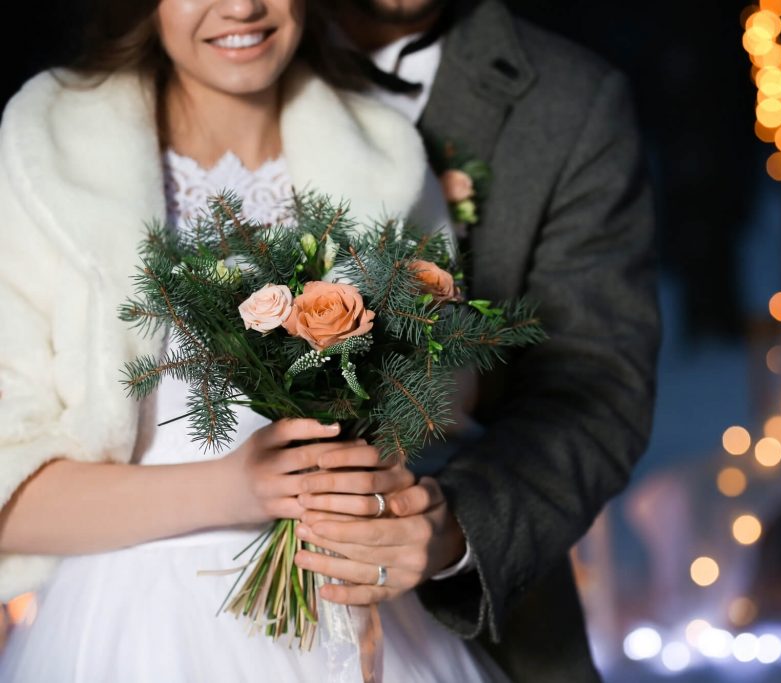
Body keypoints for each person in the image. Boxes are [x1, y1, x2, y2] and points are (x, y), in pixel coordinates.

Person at [0, 1, 503, 680]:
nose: (241, 6)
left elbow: (445, 392)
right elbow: (10, 490)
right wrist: (239, 486)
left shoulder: (383, 151)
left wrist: (369, 473)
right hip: (136, 632)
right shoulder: (49, 150)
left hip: (354, 609)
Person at [291, 1, 661, 680]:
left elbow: (594, 383)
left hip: (466, 636)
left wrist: (454, 529)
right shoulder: (210, 51)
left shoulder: (572, 101)